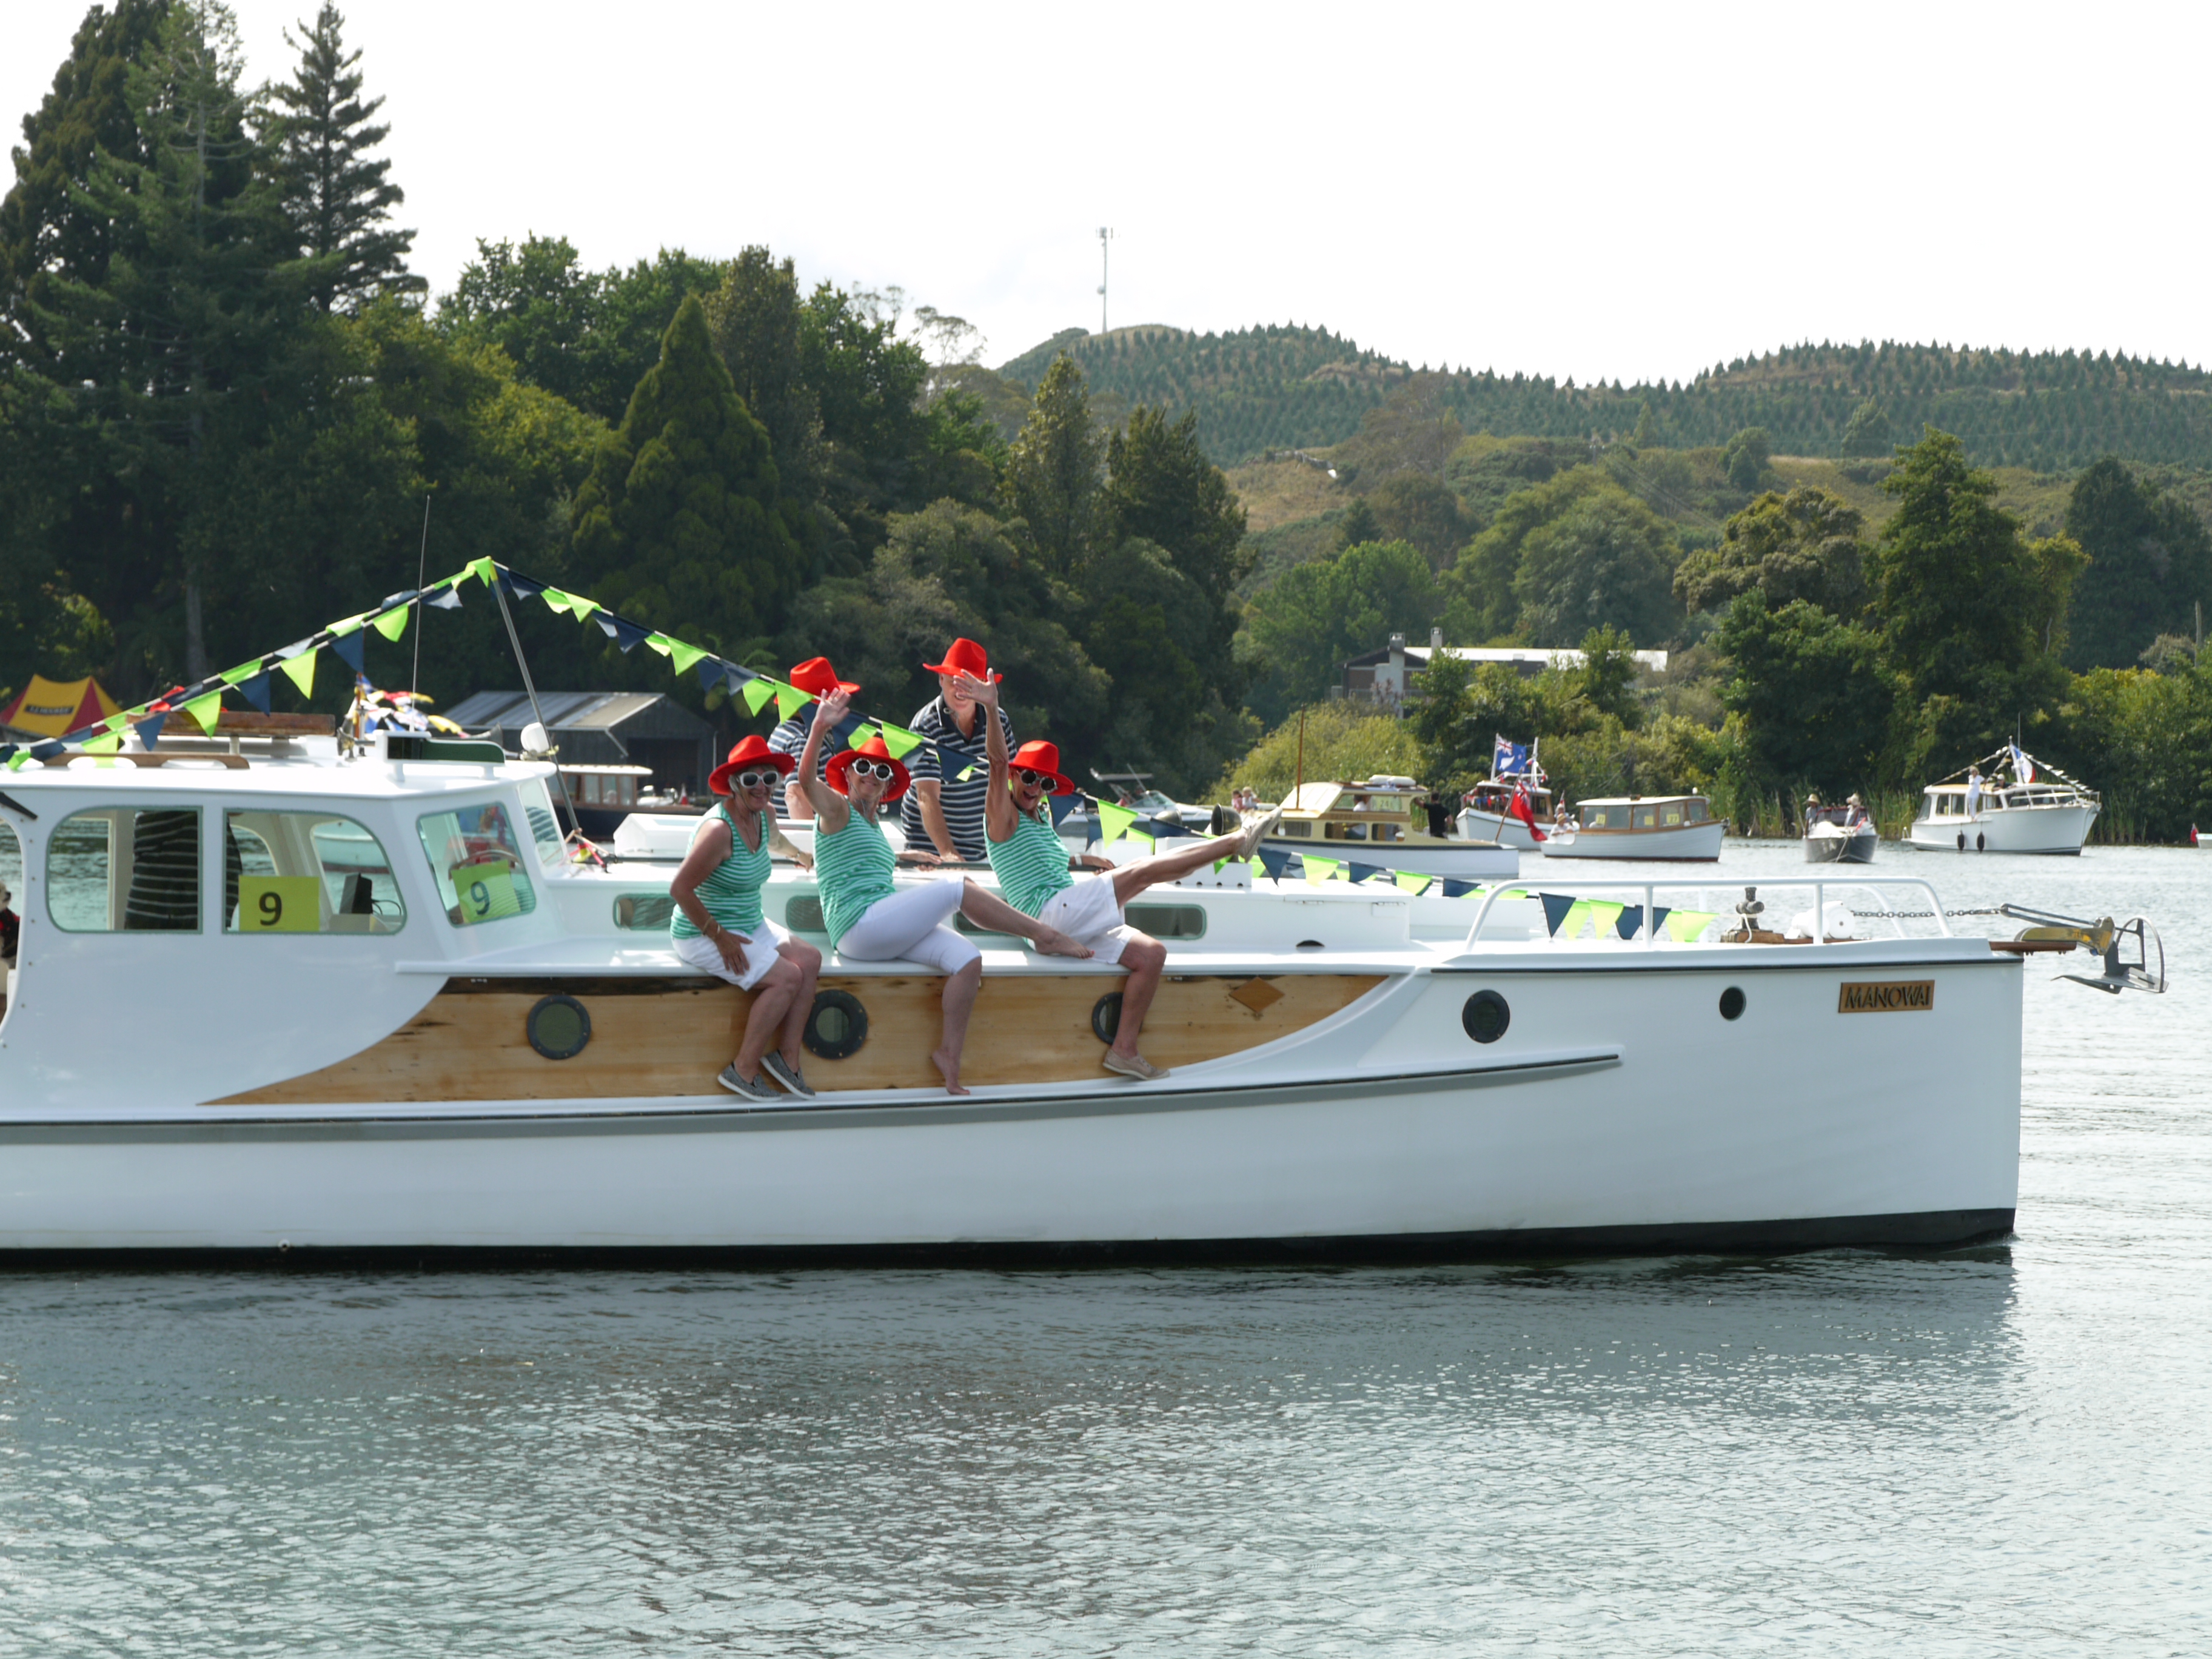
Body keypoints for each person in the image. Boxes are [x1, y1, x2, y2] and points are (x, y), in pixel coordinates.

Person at [974, 672, 1280, 1082]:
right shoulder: (1003, 816)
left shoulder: (1039, 816)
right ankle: (1236, 842)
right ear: (1014, 777)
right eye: (1029, 777)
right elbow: (997, 762)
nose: (1036, 788)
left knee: (1151, 955)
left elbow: (1039, 861)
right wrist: (991, 707)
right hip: (1044, 917)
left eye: (1045, 783)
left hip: (1065, 913)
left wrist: (1082, 859)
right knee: (1142, 871)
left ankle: (1124, 1051)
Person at [800, 688, 1091, 1096]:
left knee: (968, 960)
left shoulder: (872, 826)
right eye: (863, 767)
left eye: (882, 772)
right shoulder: (837, 809)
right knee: (957, 886)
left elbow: (857, 860)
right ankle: (1044, 934)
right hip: (856, 926)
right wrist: (819, 727)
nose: (871, 776)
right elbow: (805, 782)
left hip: (877, 923)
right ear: (847, 774)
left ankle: (949, 1058)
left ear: (887, 787)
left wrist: (903, 856)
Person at [669, 736, 825, 1101]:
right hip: (702, 932)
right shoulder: (718, 831)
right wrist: (720, 936)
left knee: (810, 959)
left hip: (749, 922)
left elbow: (775, 842)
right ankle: (743, 1069)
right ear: (734, 783)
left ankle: (787, 1061)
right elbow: (679, 889)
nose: (761, 787)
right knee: (788, 978)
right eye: (751, 779)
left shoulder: (764, 815)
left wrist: (801, 856)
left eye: (769, 778)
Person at [898, 637, 1016, 863]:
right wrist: (948, 853)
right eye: (954, 680)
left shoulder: (999, 720)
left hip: (985, 850)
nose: (961, 688)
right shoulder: (924, 725)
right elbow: (926, 796)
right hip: (930, 851)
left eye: (969, 682)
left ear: (983, 685)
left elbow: (1011, 784)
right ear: (940, 679)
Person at [766, 657, 866, 821]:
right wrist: (810, 835)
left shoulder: (785, 730)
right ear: (818, 707)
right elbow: (796, 795)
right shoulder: (800, 740)